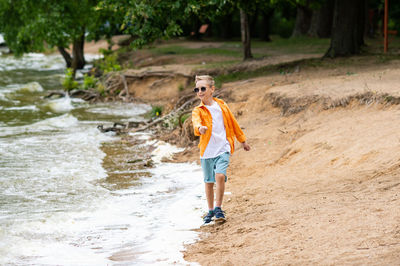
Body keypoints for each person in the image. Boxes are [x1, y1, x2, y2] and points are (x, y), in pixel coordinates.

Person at [191, 75, 250, 224]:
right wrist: (200, 128)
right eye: (197, 89)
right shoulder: (198, 110)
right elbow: (196, 123)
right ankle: (210, 210)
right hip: (206, 151)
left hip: (223, 147)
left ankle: (218, 208)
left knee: (220, 176)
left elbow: (233, 123)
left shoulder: (222, 106)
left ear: (212, 89)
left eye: (203, 88)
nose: (200, 91)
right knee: (209, 182)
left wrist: (242, 141)